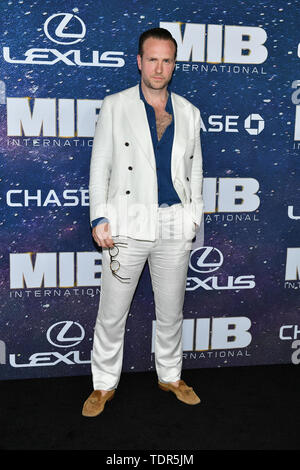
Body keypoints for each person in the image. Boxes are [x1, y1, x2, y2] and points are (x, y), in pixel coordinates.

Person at [82, 27, 204, 417]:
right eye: (152, 59)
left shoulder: (187, 111)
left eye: (167, 60)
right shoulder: (115, 105)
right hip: (127, 225)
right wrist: (99, 216)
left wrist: (192, 218)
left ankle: (170, 375)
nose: (159, 67)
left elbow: (196, 171)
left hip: (173, 225)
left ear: (174, 65)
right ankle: (103, 385)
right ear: (139, 61)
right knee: (112, 312)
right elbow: (100, 164)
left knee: (171, 311)